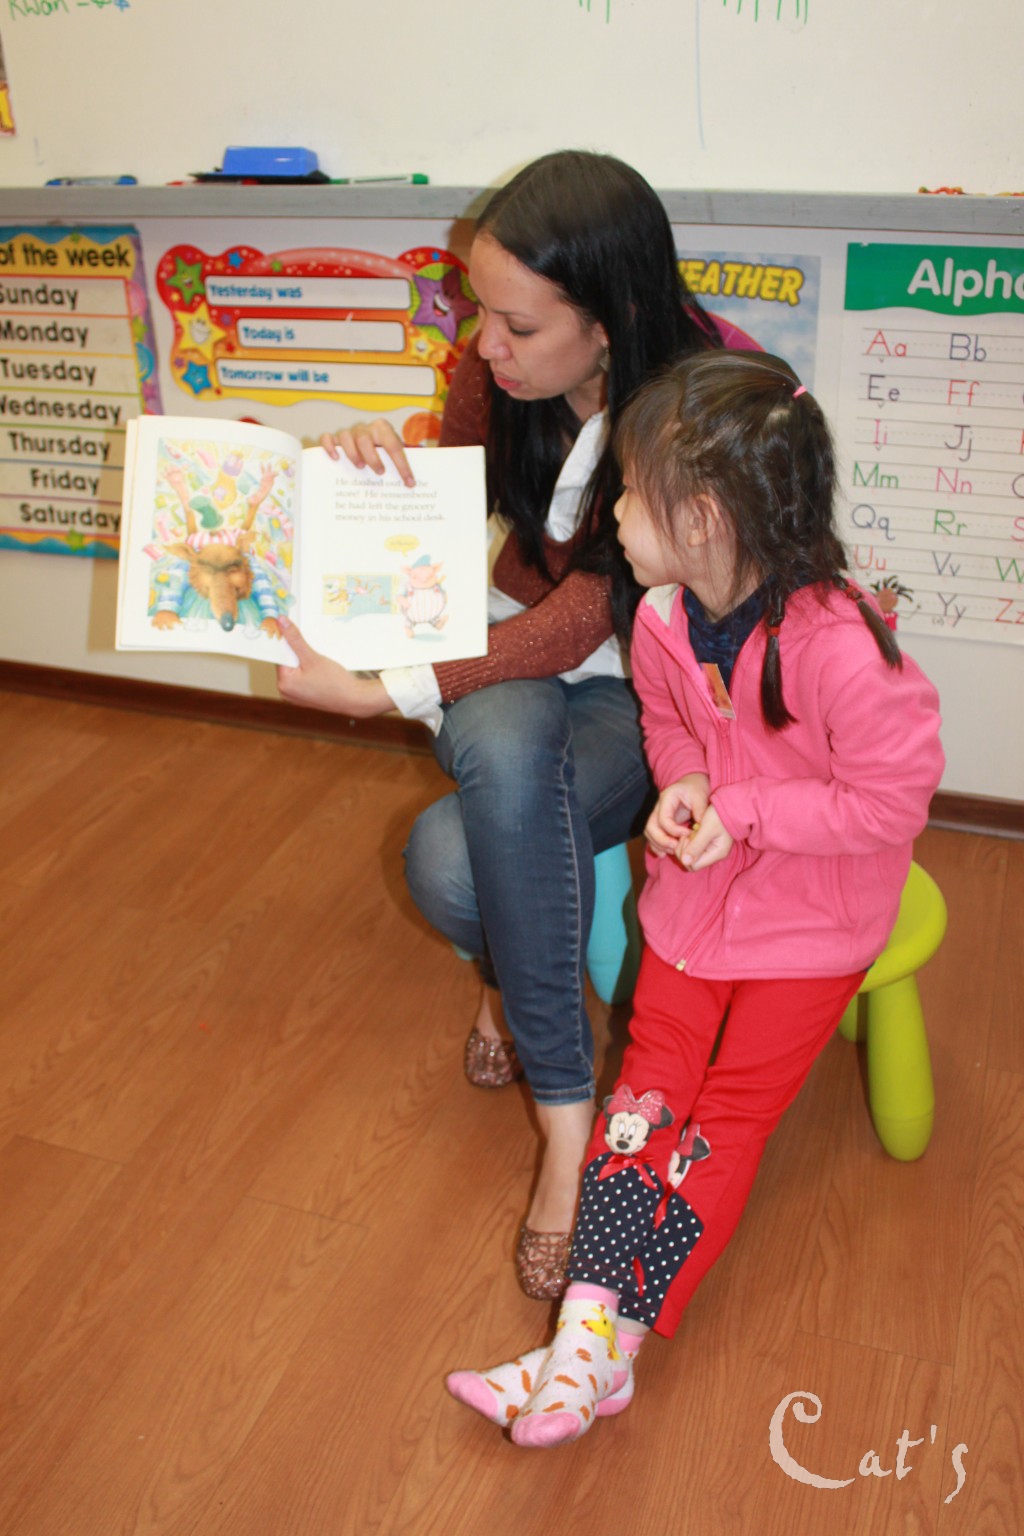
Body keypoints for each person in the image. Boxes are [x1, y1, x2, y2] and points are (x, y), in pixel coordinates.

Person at [445, 349, 944, 1447]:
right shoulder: (665, 614)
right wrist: (679, 780)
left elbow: (890, 802)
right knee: (642, 1100)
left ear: (705, 519)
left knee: (718, 1130)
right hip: (695, 905)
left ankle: (603, 1348)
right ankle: (586, 1341)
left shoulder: (846, 648)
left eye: (630, 492)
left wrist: (746, 808)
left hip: (814, 929)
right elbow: (668, 723)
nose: (615, 514)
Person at [276, 151, 750, 1299]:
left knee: (451, 862)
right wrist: (376, 466)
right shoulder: (494, 364)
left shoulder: (700, 400)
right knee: (496, 752)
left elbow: (593, 609)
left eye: (517, 326)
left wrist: (382, 691)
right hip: (506, 648)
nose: (484, 344)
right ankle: (569, 1117)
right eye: (478, 312)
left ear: (610, 322)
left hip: (651, 692)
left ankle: (512, 1006)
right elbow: (450, 503)